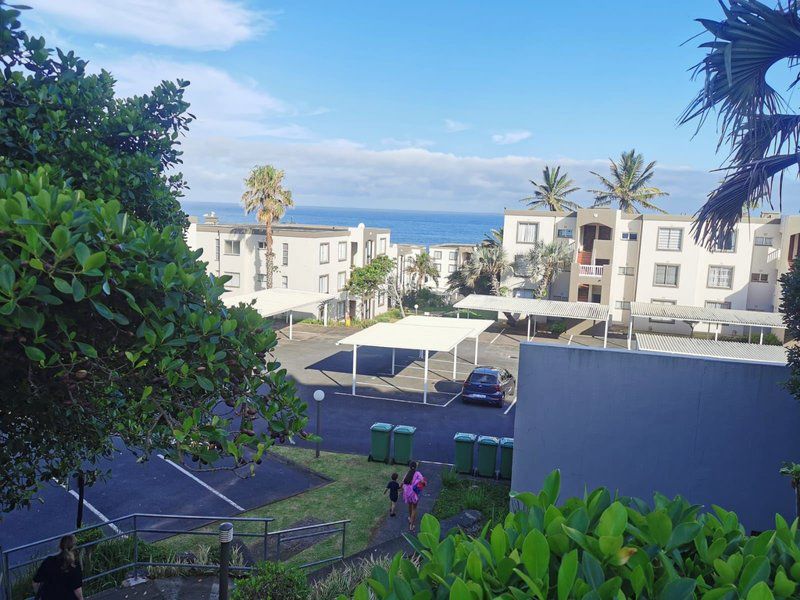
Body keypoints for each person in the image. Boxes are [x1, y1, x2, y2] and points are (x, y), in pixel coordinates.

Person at [32, 534, 83, 600]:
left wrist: (40, 595)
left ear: (60, 546)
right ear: (74, 548)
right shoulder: (74, 565)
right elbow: (77, 590)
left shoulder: (48, 561)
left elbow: (35, 582)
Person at [402, 461, 426, 532]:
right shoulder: (417, 473)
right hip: (413, 493)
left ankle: (410, 518)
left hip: (407, 493)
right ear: (416, 467)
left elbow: (403, 482)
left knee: (409, 505)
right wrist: (423, 483)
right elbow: (422, 481)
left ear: (409, 467)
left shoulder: (407, 473)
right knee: (414, 509)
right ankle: (411, 526)